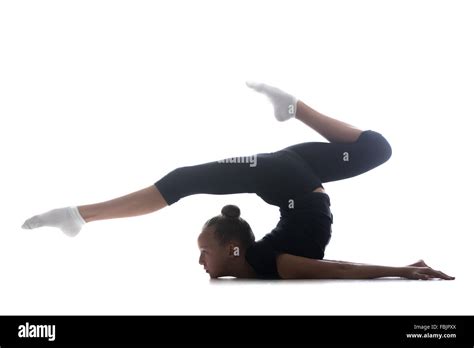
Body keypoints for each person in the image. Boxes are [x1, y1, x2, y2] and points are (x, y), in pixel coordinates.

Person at [21, 82, 455, 281]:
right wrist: (404, 270)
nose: (200, 262)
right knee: (185, 178)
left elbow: (337, 266)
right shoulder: (273, 265)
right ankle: (79, 215)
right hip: (289, 178)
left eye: (202, 253)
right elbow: (340, 269)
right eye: (205, 253)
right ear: (234, 249)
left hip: (291, 182)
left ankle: (293, 107)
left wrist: (405, 269)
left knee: (376, 149)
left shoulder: (263, 264)